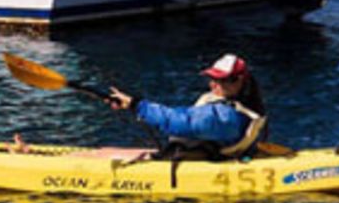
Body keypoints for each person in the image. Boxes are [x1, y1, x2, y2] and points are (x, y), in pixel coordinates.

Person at [106, 54, 268, 160]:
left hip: (210, 157)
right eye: (212, 78)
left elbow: (178, 122)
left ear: (238, 81)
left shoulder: (223, 118)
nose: (213, 85)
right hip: (216, 152)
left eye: (221, 80)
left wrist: (135, 104)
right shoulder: (247, 105)